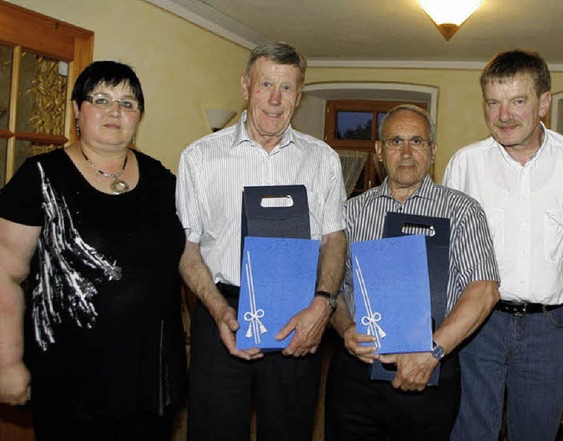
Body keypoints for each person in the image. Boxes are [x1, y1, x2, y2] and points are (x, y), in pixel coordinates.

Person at [0, 61, 186, 440]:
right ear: (76, 111)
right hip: (70, 379)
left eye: (128, 103)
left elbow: (185, 253)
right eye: (101, 99)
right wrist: (7, 362)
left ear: (139, 117)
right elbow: (5, 273)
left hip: (150, 377)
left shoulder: (161, 179)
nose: (115, 112)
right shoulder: (38, 177)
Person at [444, 49, 563, 441]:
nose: (503, 114)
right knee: (471, 431)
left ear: (544, 103)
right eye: (493, 102)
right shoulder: (464, 164)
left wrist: (548, 286)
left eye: (518, 101)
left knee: (537, 433)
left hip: (552, 326)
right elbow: (449, 253)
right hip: (480, 324)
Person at [176, 41, 347, 441]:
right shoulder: (199, 157)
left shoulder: (322, 159)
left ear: (299, 96)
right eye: (266, 84)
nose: (274, 99)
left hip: (297, 314)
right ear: (245, 85)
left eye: (287, 88)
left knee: (290, 430)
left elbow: (334, 239)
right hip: (221, 310)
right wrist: (218, 311)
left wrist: (322, 306)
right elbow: (187, 248)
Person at [324, 104, 501, 441]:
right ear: (378, 150)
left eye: (417, 142)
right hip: (356, 374)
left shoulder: (462, 211)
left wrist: (431, 352)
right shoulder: (350, 212)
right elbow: (335, 288)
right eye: (395, 142)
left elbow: (485, 291)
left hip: (430, 372)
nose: (406, 153)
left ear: (433, 151)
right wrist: (345, 327)